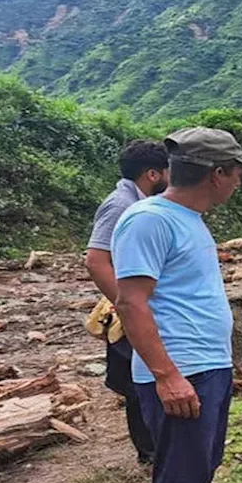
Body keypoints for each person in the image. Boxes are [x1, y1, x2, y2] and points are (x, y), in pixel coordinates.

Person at [113, 127, 242, 483]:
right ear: (216, 174)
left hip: (206, 365)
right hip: (183, 371)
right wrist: (167, 376)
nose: (239, 181)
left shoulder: (187, 218)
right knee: (178, 477)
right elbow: (130, 303)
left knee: (199, 465)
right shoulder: (149, 220)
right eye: (236, 172)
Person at [85, 140, 169, 465]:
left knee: (141, 375)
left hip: (133, 302)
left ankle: (154, 448)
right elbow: (95, 260)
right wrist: (124, 303)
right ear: (152, 174)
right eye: (167, 172)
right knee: (139, 381)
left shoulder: (136, 202)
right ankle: (150, 453)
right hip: (129, 306)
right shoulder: (121, 205)